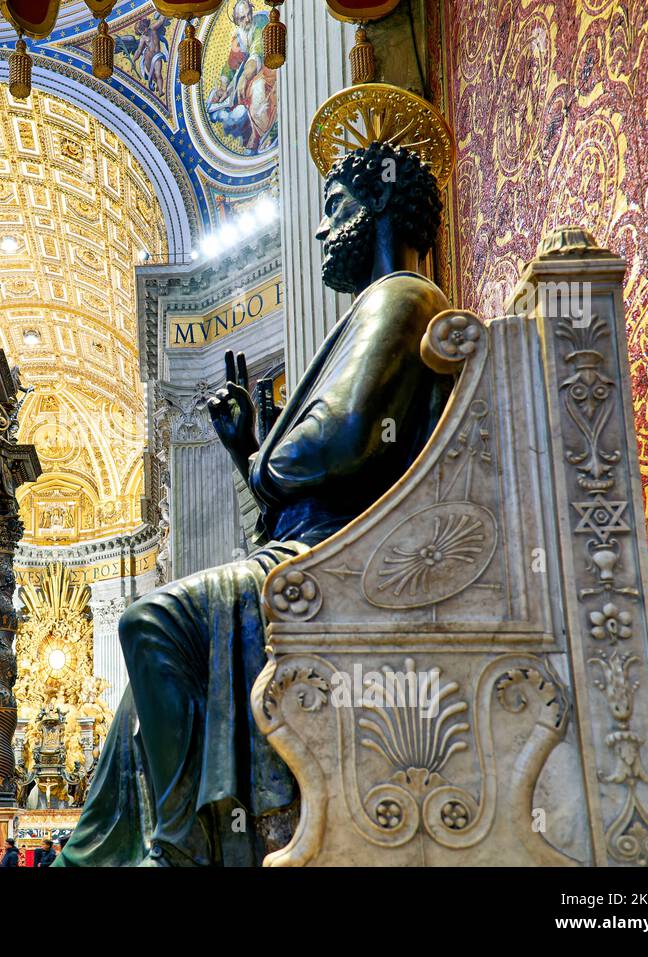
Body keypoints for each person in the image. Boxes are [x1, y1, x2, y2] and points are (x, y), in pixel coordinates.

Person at [56, 132, 450, 867]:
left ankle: (180, 849)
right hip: (316, 541)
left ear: (381, 204)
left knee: (148, 622)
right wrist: (249, 448)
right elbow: (310, 465)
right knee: (134, 710)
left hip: (337, 553)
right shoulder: (378, 307)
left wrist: (262, 453)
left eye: (336, 207)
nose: (323, 227)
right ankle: (98, 854)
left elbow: (337, 444)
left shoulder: (399, 299)